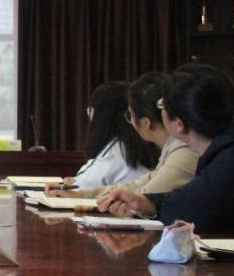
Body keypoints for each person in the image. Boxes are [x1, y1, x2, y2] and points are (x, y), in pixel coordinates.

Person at [99, 64, 234, 234]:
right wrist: (147, 204)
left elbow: (190, 210)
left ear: (179, 124)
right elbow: (189, 197)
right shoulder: (233, 145)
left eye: (161, 105)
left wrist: (149, 205)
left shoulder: (233, 160)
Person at [47, 73, 196, 198]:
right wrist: (80, 194)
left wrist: (79, 192)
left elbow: (144, 197)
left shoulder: (184, 150)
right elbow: (136, 186)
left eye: (130, 116)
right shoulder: (170, 148)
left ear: (145, 122)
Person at [52, 81, 157, 190]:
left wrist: (72, 183)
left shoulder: (116, 151)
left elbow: (78, 188)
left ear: (99, 115)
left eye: (90, 111)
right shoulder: (137, 145)